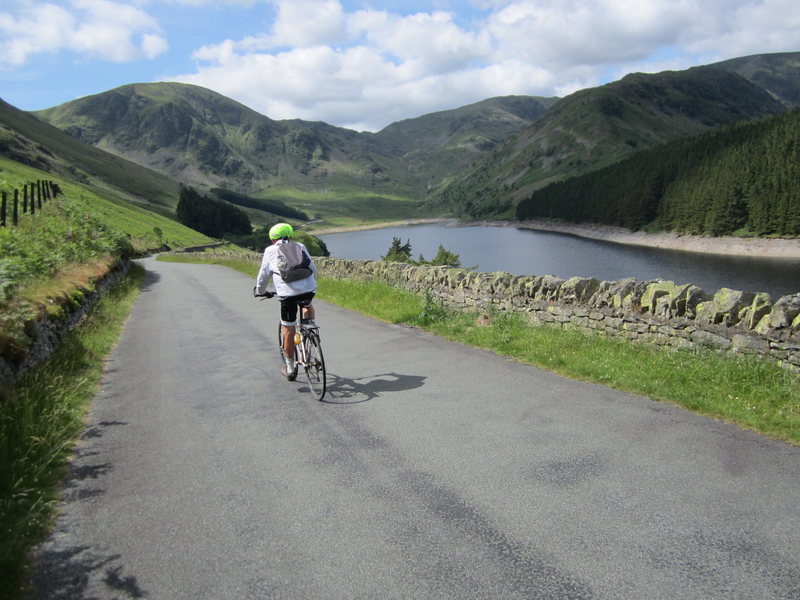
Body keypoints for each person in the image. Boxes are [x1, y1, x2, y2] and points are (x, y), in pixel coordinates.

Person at [254, 223, 317, 381]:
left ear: (272, 239)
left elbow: (263, 276)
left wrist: (260, 291)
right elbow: (313, 268)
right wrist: (309, 284)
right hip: (308, 289)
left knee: (288, 328)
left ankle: (290, 367)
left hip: (287, 295)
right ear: (289, 236)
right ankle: (311, 329)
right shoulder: (300, 246)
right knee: (307, 304)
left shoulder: (270, 251)